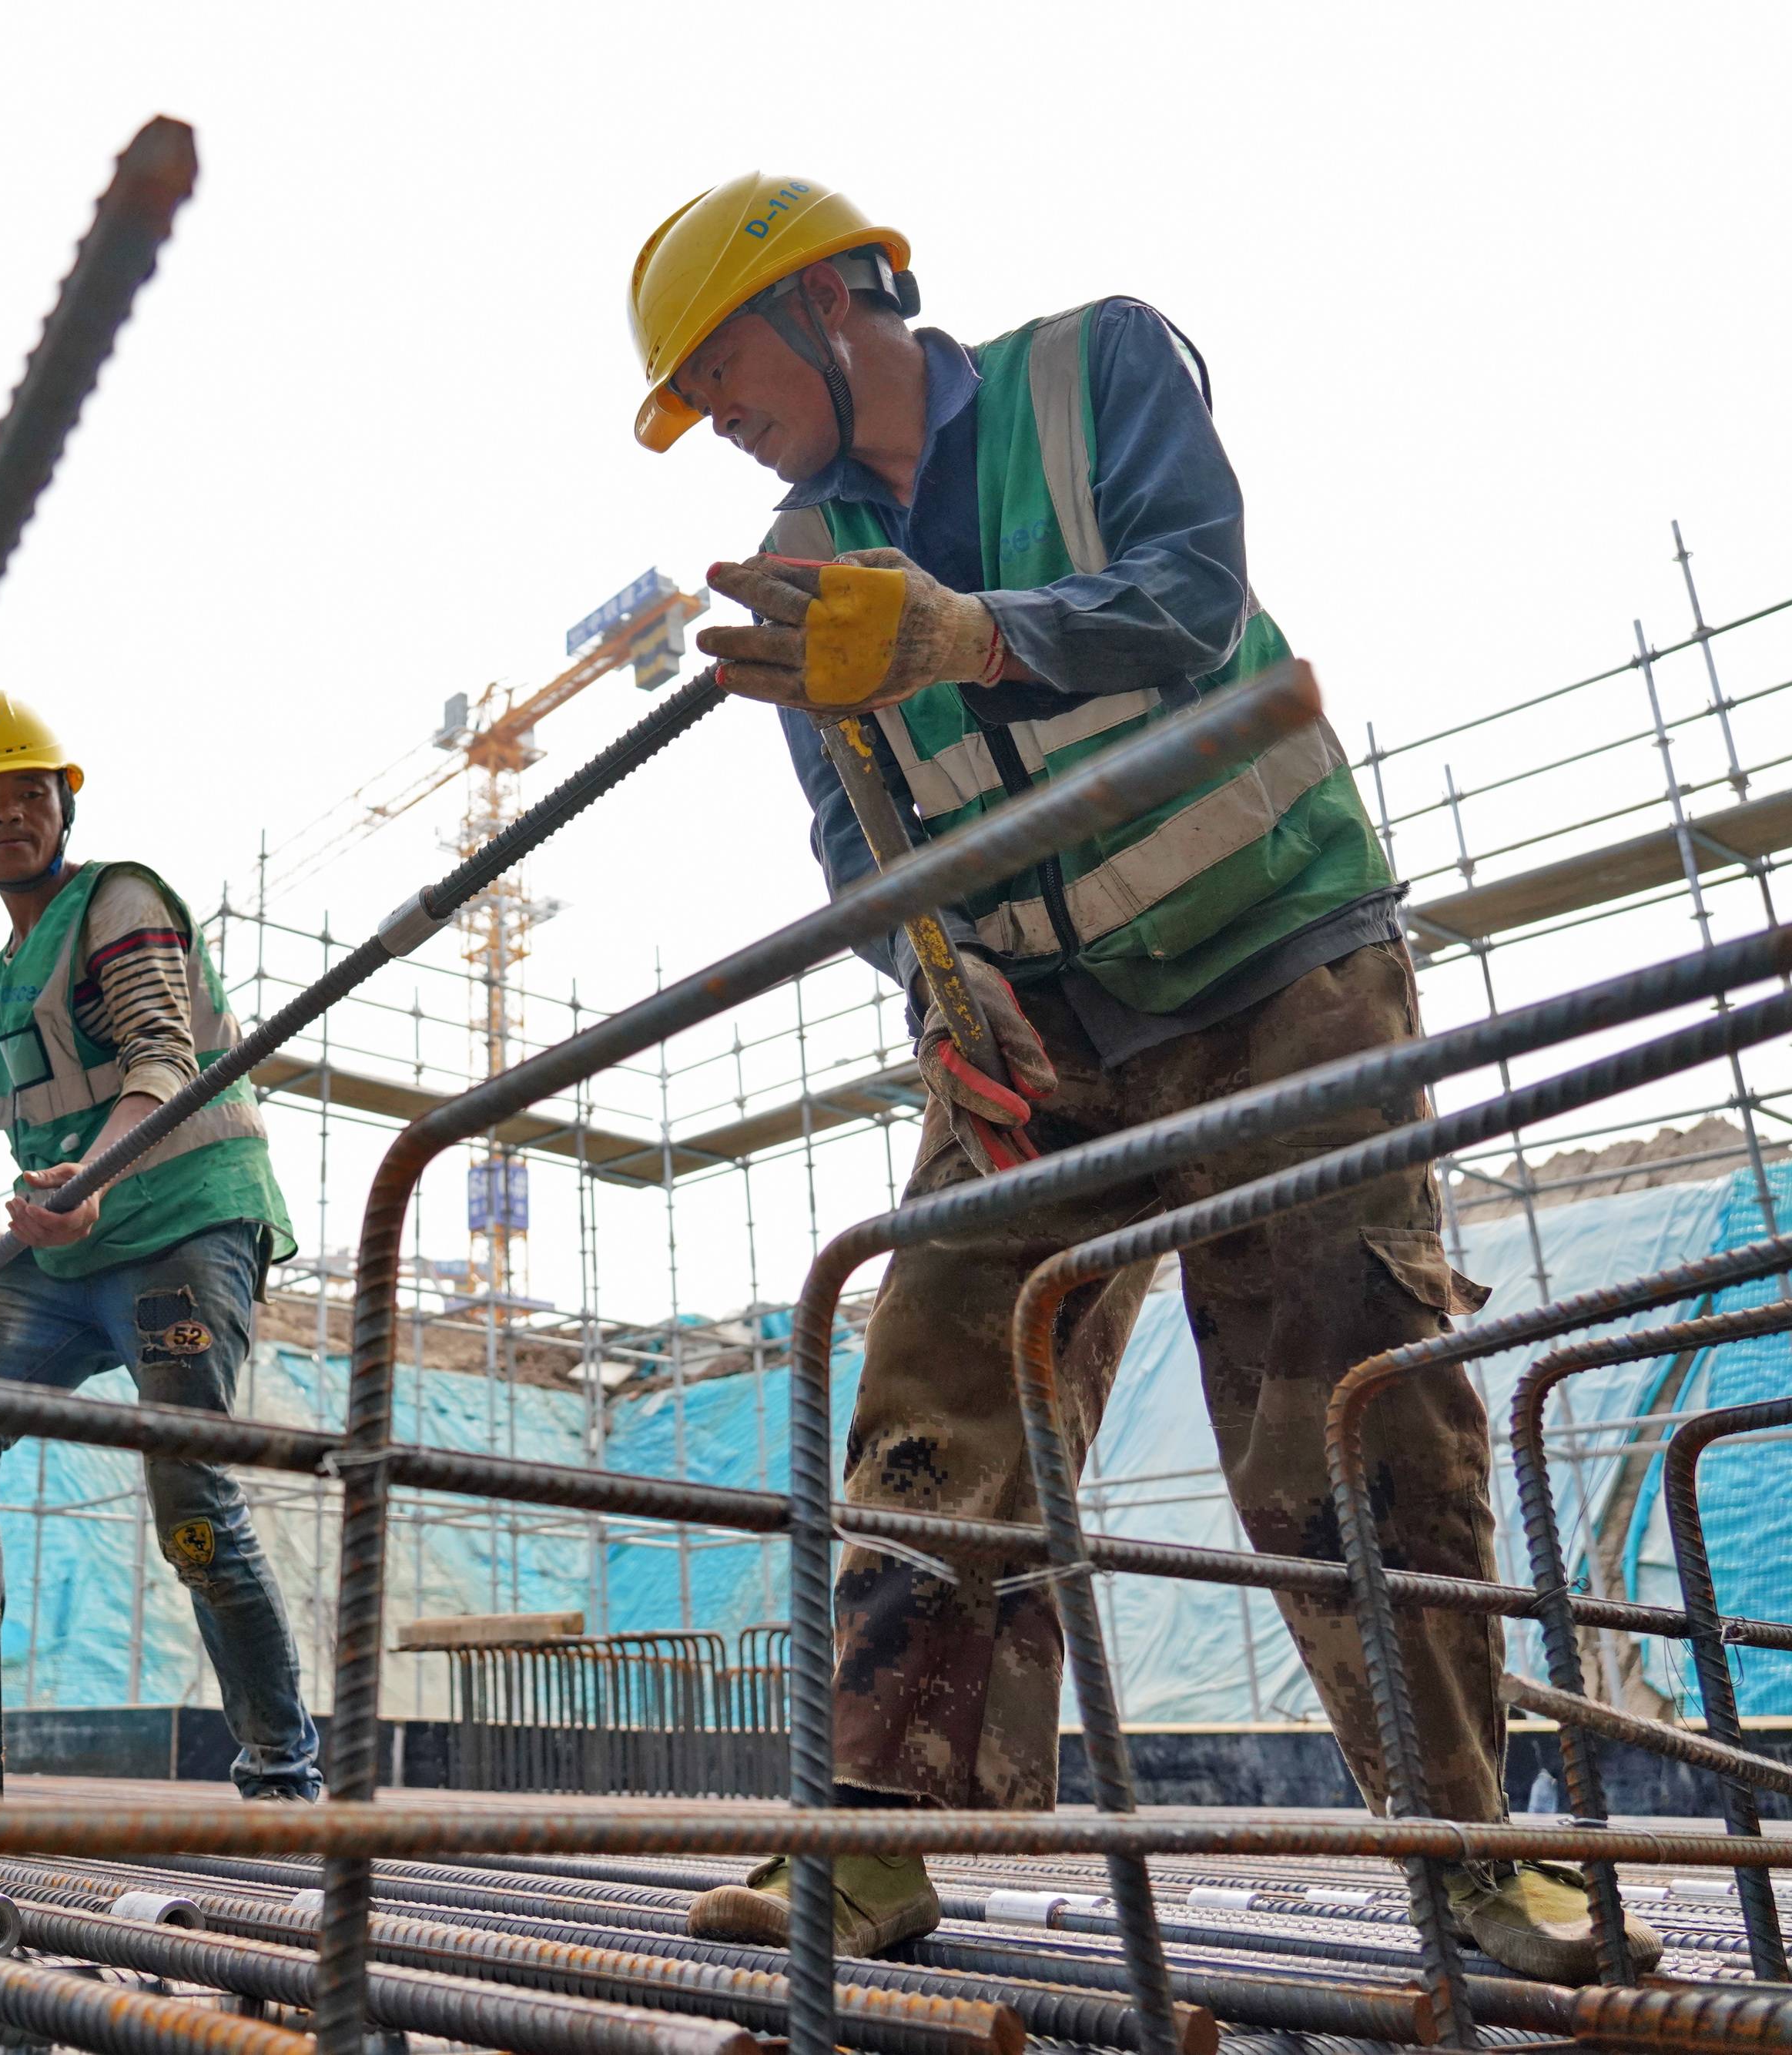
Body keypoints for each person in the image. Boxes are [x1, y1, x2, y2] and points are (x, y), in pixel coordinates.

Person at [620, 173, 1653, 1982]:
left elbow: (1187, 600)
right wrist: (937, 995)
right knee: (934, 1394)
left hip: (1278, 972)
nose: (713, 423)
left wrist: (958, 631)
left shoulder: (1085, 371)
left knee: (1340, 1395)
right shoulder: (794, 559)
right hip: (1036, 1036)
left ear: (828, 298)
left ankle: (1472, 1856)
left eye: (716, 371)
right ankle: (873, 1845)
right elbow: (851, 844)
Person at [0, 688, 320, 1802]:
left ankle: (283, 1774)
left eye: (30, 795)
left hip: (179, 1230)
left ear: (65, 807)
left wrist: (94, 1176)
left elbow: (163, 1050)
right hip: (64, 1260)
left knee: (189, 1495)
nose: (10, 816)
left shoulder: (119, 900)